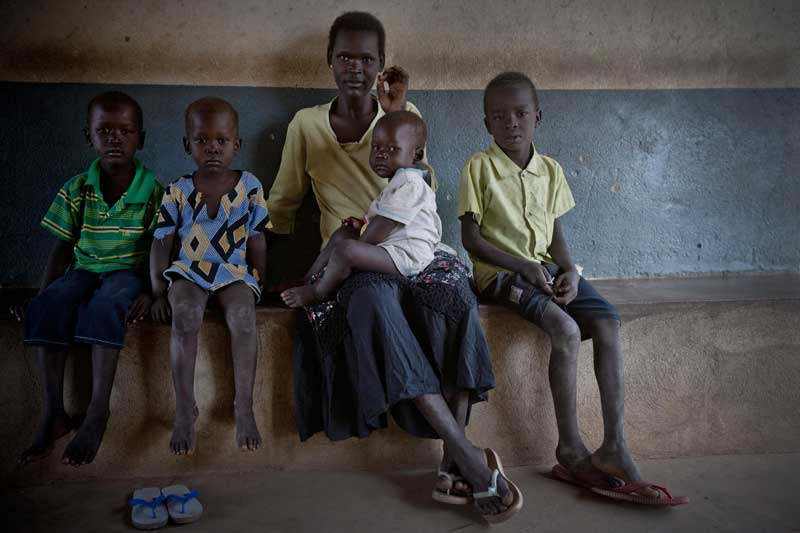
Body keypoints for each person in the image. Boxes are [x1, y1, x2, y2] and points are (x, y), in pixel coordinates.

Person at [268, 11, 519, 523]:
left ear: (381, 65)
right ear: (329, 61)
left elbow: (417, 188)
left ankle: (453, 460)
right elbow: (282, 207)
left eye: (367, 58)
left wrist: (395, 110)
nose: (354, 67)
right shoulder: (306, 125)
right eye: (344, 56)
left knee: (456, 296)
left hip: (410, 249)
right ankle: (466, 455)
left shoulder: (405, 118)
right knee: (376, 303)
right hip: (356, 258)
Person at [458, 71, 687, 505]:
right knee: (564, 331)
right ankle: (569, 445)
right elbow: (471, 240)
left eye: (521, 113)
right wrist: (522, 266)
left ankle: (615, 444)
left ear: (537, 117)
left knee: (608, 324)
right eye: (499, 116)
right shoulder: (479, 167)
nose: (511, 123)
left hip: (543, 268)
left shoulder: (551, 170)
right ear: (486, 124)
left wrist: (572, 272)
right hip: (499, 276)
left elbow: (557, 237)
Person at [14, 91, 163, 466]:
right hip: (83, 269)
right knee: (48, 306)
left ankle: (97, 413)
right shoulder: (77, 188)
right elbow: (62, 248)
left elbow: (160, 250)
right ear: (89, 136)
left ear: (141, 138)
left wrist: (149, 290)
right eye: (104, 130)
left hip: (128, 272)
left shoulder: (154, 194)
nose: (115, 138)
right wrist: (41, 293)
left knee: (107, 305)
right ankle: (53, 413)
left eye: (125, 130)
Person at [150, 97, 268, 455]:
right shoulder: (177, 190)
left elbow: (259, 239)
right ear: (188, 145)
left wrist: (259, 281)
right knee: (185, 316)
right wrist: (158, 291)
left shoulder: (250, 186)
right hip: (189, 270)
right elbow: (161, 241)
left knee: (243, 317)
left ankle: (244, 406)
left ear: (237, 144)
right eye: (202, 140)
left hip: (234, 271)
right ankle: (185, 409)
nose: (212, 148)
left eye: (221, 140)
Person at [281, 111, 440, 307]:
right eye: (376, 147)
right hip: (393, 247)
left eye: (392, 149)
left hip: (407, 257)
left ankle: (318, 292)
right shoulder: (400, 180)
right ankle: (310, 278)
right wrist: (359, 226)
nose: (381, 154)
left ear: (416, 154)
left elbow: (383, 226)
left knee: (346, 250)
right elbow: (387, 221)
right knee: (342, 234)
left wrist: (357, 249)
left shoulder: (410, 183)